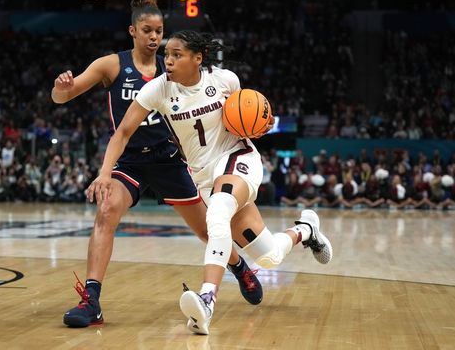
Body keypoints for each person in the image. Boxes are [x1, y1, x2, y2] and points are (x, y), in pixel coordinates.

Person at [87, 30, 333, 335]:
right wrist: (104, 172)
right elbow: (122, 133)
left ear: (198, 58)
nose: (169, 61)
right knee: (269, 256)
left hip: (238, 160)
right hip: (205, 177)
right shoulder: (158, 90)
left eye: (177, 55)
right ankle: (307, 229)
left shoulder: (225, 80)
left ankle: (206, 299)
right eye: (168, 55)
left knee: (216, 213)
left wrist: (264, 122)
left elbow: (247, 115)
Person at [51, 0, 261, 328]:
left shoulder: (175, 68)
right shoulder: (111, 65)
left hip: (170, 159)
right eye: (147, 31)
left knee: (209, 230)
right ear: (133, 31)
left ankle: (239, 266)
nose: (155, 38)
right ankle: (91, 300)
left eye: (159, 32)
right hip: (130, 161)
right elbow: (64, 97)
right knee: (106, 211)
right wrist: (62, 87)